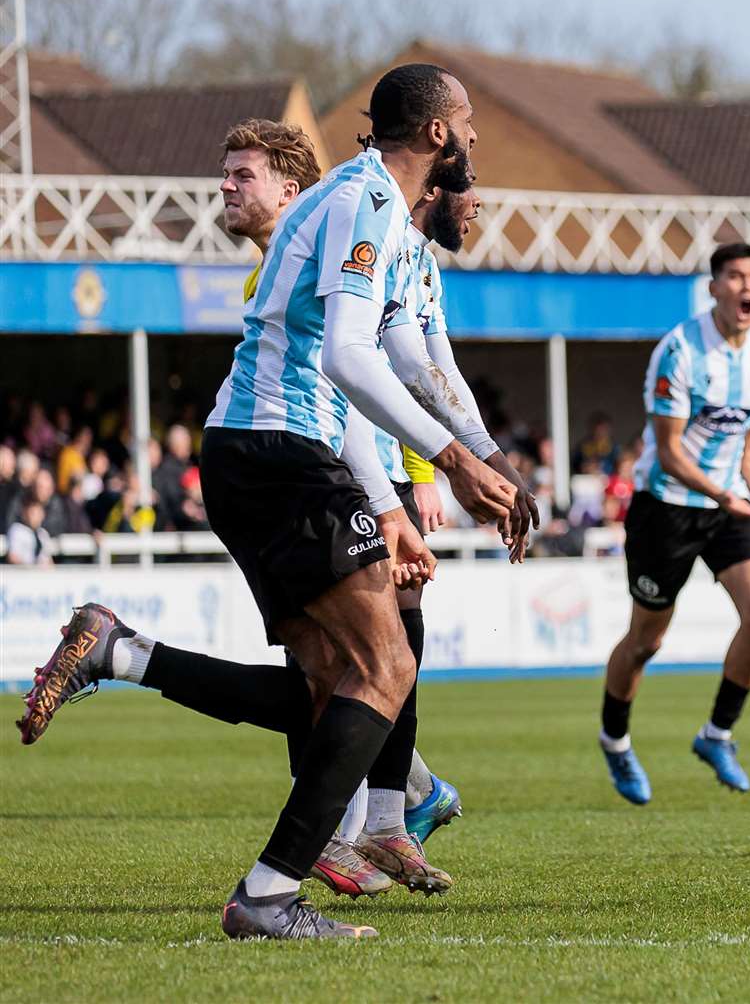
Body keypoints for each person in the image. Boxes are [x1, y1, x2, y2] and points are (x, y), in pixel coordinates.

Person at [20, 65, 518, 941]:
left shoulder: (387, 218)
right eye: (468, 121)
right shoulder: (364, 202)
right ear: (439, 134)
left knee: (332, 694)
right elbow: (349, 363)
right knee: (388, 666)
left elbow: (413, 357)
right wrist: (441, 469)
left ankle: (124, 655)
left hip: (266, 453)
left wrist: (488, 459)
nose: (476, 136)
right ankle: (274, 889)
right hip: (280, 448)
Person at [597, 242, 750, 804]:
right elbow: (670, 451)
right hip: (667, 507)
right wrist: (723, 495)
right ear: (714, 288)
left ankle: (717, 735)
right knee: (646, 641)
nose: (746, 286)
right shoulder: (679, 350)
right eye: (734, 276)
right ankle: (615, 740)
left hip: (731, 507)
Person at [4, 496, 53, 565]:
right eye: (33, 514)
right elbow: (13, 558)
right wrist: (31, 570)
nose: (36, 517)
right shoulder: (17, 530)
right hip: (22, 573)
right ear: (25, 514)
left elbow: (48, 560)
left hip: (41, 574)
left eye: (38, 513)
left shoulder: (43, 533)